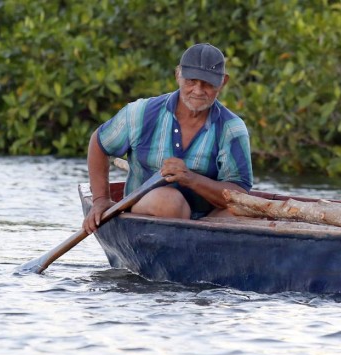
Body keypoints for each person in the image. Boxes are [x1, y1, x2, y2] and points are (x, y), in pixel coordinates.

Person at [83, 43, 253, 234]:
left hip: (205, 220)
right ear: (178, 75)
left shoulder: (232, 128)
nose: (198, 91)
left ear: (223, 82)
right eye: (191, 81)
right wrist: (100, 200)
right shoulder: (141, 113)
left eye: (207, 83)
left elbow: (239, 194)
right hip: (146, 211)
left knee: (243, 216)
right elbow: (99, 143)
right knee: (170, 201)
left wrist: (191, 178)